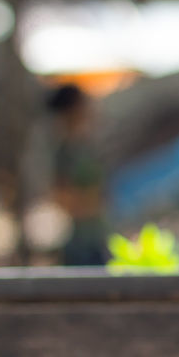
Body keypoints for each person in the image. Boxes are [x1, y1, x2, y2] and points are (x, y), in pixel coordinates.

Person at [47, 83, 113, 267]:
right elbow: (61, 197)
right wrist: (89, 202)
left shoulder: (87, 147)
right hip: (79, 244)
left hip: (97, 237)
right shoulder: (63, 152)